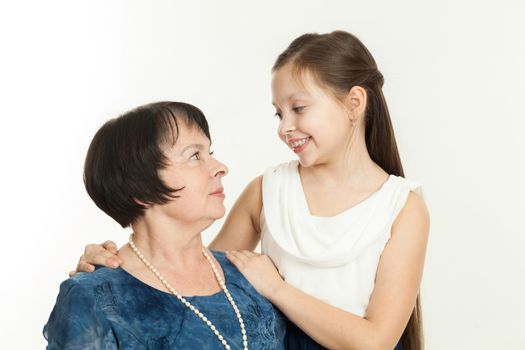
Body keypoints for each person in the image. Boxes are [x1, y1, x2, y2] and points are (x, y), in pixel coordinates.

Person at [73, 31, 430, 350]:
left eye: (298, 108)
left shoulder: (402, 208)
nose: (285, 127)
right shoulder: (269, 190)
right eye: (278, 113)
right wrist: (114, 268)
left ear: (354, 103)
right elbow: (191, 275)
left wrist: (277, 289)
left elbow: (377, 342)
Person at [44, 102, 286, 349]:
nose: (220, 168)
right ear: (141, 188)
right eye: (194, 156)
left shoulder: (253, 275)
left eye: (209, 154)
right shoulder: (96, 296)